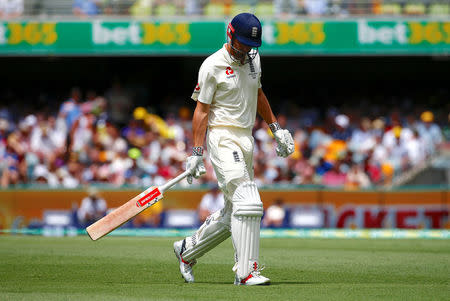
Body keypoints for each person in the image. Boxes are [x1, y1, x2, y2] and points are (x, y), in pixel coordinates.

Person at [173, 13, 294, 286]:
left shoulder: (254, 59)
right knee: (249, 201)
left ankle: (187, 250)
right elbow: (201, 111)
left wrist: (277, 128)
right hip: (222, 136)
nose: (246, 51)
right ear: (230, 35)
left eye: (251, 46)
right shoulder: (212, 65)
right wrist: (196, 152)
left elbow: (258, 93)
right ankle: (246, 272)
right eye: (241, 44)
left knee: (233, 214)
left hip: (245, 138)